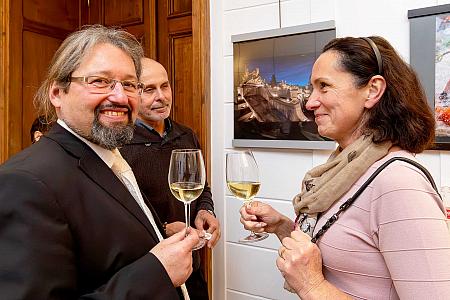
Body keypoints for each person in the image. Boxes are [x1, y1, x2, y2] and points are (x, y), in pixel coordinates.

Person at [240, 36, 450, 299]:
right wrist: (282, 226)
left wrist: (312, 287)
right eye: (312, 88)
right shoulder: (347, 167)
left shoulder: (399, 184)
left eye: (324, 86)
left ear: (373, 90)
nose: (309, 102)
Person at [0, 25, 199, 299]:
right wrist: (157, 273)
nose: (119, 97)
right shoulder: (26, 182)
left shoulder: (107, 156)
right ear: (57, 92)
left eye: (129, 84)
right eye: (99, 81)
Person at [120, 58, 221, 299]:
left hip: (191, 267)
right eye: (149, 89)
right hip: (147, 273)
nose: (161, 96)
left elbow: (200, 187)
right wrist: (164, 228)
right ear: (132, 92)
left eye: (165, 86)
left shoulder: (186, 135)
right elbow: (119, 213)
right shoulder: (118, 144)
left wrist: (205, 211)